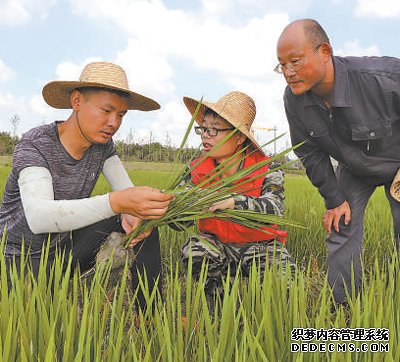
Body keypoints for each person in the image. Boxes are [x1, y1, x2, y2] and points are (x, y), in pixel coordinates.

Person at [1, 61, 173, 310]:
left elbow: (127, 193)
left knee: (144, 221)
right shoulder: (36, 144)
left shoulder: (102, 146)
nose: (114, 122)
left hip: (62, 252)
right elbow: (39, 217)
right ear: (77, 101)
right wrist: (117, 203)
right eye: (106, 110)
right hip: (20, 259)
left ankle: (150, 315)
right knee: (37, 326)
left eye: (121, 115)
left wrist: (133, 213)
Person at [275, 18, 400, 303]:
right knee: (340, 224)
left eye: (295, 61)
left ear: (325, 52)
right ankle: (344, 310)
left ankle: (395, 308)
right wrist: (333, 199)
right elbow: (308, 150)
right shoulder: (294, 99)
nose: (288, 72)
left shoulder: (384, 77)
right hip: (355, 168)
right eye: (281, 65)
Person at [180, 91, 296, 305]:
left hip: (262, 246)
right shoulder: (195, 170)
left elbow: (274, 209)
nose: (206, 135)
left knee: (285, 292)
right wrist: (176, 210)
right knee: (195, 249)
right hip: (217, 245)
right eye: (203, 128)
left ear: (240, 136)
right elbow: (181, 223)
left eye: (214, 129)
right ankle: (223, 312)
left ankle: (270, 321)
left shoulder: (267, 168)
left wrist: (234, 202)